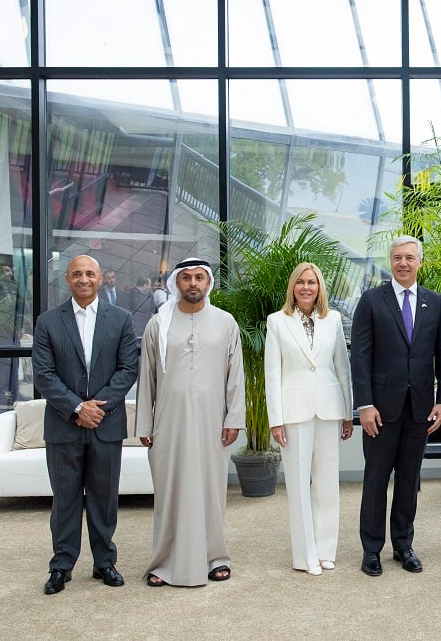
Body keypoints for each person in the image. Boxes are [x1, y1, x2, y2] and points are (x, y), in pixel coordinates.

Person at [32, 255, 139, 595]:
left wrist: (97, 408)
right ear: (67, 279)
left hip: (106, 425)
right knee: (65, 499)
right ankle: (61, 566)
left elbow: (128, 369)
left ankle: (104, 562)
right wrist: (77, 407)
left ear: (100, 278)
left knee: (104, 499)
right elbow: (43, 374)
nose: (83, 279)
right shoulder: (48, 322)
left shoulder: (121, 319)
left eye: (89, 273)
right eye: (76, 274)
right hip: (63, 426)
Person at [135, 258, 245, 587]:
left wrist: (234, 418)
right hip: (168, 422)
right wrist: (144, 424)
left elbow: (235, 375)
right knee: (169, 491)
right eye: (186, 278)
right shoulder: (158, 324)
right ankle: (164, 561)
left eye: (199, 277)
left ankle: (215, 558)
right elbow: (146, 377)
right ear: (176, 283)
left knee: (211, 491)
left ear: (208, 283)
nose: (193, 283)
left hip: (213, 421)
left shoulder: (225, 322)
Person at [351, 235, 441, 576]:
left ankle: (403, 545)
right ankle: (371, 549)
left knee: (409, 480)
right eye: (397, 258)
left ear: (419, 262)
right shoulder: (371, 301)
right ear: (390, 262)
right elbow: (360, 356)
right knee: (376, 479)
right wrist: (365, 404)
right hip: (380, 409)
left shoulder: (434, 303)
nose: (403, 263)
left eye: (410, 257)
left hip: (419, 408)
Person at [265, 263, 354, 576]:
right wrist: (275, 419)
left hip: (330, 409)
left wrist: (348, 414)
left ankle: (326, 550)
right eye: (300, 282)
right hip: (293, 412)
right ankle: (305, 556)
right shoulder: (277, 321)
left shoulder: (334, 320)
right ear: (293, 287)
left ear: (320, 288)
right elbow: (272, 373)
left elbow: (342, 368)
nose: (306, 287)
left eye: (311, 282)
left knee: (327, 484)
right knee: (299, 485)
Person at [0, 264, 27, 406]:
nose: (7, 273)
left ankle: (15, 392)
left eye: (8, 270)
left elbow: (19, 309)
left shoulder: (13, 288)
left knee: (14, 363)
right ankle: (1, 395)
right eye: (4, 271)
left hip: (14, 333)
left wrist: (21, 326)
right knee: (3, 363)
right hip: (1, 332)